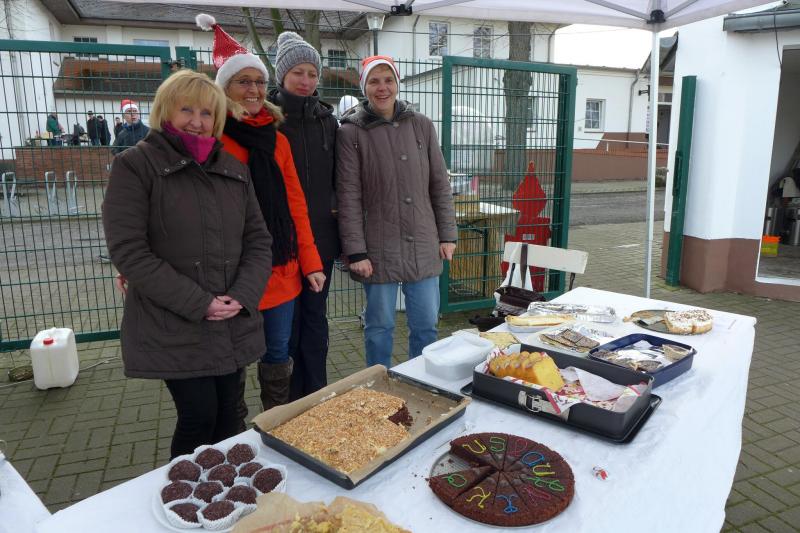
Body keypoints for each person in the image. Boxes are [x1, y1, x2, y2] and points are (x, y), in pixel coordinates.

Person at [102, 69, 273, 459]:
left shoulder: (234, 168)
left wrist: (242, 295)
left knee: (229, 415)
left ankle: (227, 487)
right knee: (199, 416)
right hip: (175, 322)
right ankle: (185, 489)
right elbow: (129, 251)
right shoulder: (135, 165)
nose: (197, 121)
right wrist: (200, 303)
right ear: (166, 111)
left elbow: (259, 241)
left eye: (207, 113)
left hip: (230, 319)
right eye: (187, 110)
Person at [197, 14, 324, 412]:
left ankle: (276, 420)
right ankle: (233, 425)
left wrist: (311, 262)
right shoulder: (211, 139)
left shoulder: (277, 139)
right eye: (243, 81)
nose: (253, 90)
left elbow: (296, 206)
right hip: (231, 270)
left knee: (277, 352)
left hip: (281, 267)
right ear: (224, 88)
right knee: (232, 357)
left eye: (257, 81)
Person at [336, 55, 457, 369]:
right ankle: (377, 386)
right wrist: (356, 251)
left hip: (423, 241)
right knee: (379, 328)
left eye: (388, 80)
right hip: (378, 247)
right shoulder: (351, 133)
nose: (382, 88)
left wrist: (447, 235)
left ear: (397, 83)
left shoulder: (422, 125)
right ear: (364, 87)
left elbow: (439, 184)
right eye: (374, 81)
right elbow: (348, 197)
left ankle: (422, 382)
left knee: (426, 325)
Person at [268, 31, 340, 401]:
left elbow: (339, 177)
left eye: (312, 73)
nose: (306, 80)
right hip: (280, 241)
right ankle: (289, 398)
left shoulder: (327, 121)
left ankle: (316, 393)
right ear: (281, 75)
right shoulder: (267, 120)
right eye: (298, 72)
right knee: (286, 324)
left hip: (321, 239)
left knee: (315, 317)